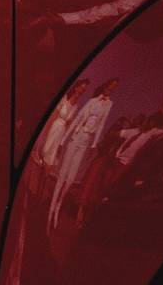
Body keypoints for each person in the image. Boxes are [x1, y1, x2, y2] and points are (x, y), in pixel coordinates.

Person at [47, 78, 118, 231]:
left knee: (71, 179)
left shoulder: (109, 104)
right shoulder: (92, 101)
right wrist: (63, 140)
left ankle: (59, 204)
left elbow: (102, 124)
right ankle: (52, 209)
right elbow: (78, 118)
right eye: (110, 86)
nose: (110, 90)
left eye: (114, 88)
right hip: (76, 137)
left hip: (86, 141)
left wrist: (94, 143)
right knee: (62, 176)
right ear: (105, 85)